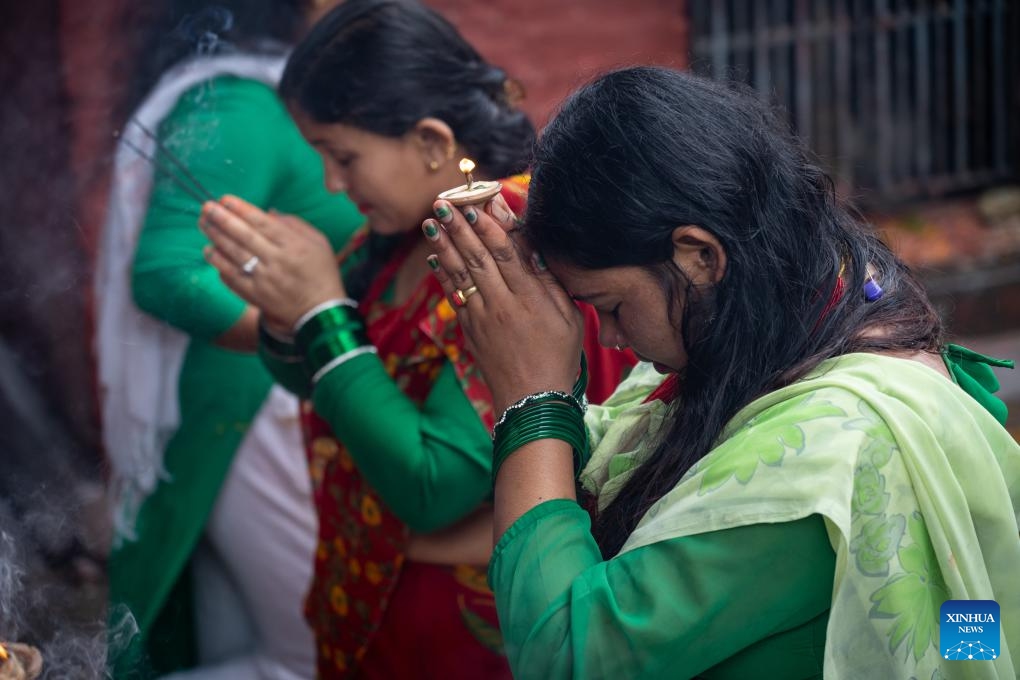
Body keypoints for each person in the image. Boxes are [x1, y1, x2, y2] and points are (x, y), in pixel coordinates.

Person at [423, 66, 1020, 679]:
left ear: (700, 256)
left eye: (611, 307)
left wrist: (533, 401)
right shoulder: (826, 300)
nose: (613, 341)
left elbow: (567, 656)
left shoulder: (827, 457)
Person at [198, 1, 635, 677]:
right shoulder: (403, 236)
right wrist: (290, 315)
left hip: (467, 631)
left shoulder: (497, 237)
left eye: (343, 156)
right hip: (383, 608)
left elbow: (433, 485)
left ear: (432, 142)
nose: (331, 184)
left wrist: (320, 314)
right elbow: (334, 381)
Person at [95, 1, 363, 677]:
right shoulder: (238, 104)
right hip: (254, 415)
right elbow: (165, 270)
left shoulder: (285, 93)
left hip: (297, 409)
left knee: (248, 648)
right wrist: (308, 343)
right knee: (317, 655)